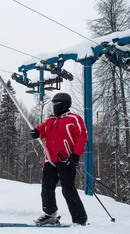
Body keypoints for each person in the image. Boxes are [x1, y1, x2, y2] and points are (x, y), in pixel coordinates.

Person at [30, 92, 88, 226]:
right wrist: (36, 132)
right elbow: (41, 130)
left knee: (68, 189)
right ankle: (49, 213)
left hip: (66, 160)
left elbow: (82, 137)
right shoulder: (50, 120)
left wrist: (75, 155)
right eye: (54, 104)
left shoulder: (74, 119)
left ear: (65, 105)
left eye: (57, 104)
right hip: (50, 160)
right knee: (46, 187)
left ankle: (80, 219)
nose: (55, 106)